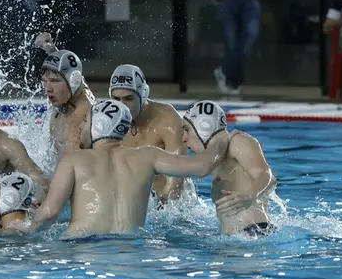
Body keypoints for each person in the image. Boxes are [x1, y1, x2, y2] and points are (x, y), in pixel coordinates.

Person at [27, 100, 229, 238]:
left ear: (100, 125)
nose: (80, 127)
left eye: (86, 121)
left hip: (82, 247)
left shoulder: (72, 159)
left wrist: (26, 236)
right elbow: (202, 167)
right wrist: (221, 137)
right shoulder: (148, 156)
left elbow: (49, 212)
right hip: (130, 249)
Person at [203, 0, 326, 97]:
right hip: (228, 0)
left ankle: (225, 71)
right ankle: (233, 83)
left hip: (250, 0)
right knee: (231, 42)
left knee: (251, 33)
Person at [182, 100, 277, 237]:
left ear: (204, 126)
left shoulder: (238, 142)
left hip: (254, 234)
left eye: (187, 129)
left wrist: (250, 195)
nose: (184, 138)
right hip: (234, 241)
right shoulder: (216, 159)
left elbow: (267, 176)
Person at [108, 64, 188, 203]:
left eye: (128, 98)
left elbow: (177, 177)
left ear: (143, 95)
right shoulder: (106, 122)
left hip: (165, 206)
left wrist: (161, 212)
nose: (122, 106)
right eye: (116, 99)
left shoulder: (167, 119)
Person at [34, 32, 95, 156]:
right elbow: (68, 69)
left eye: (54, 81)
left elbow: (75, 170)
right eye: (45, 81)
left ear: (73, 82)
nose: (48, 88)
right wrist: (50, 48)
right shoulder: (73, 90)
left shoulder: (78, 124)